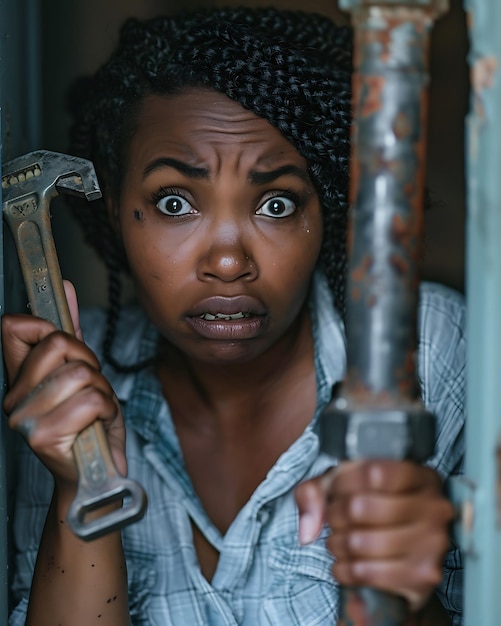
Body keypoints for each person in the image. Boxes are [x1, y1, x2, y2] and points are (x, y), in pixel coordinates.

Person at [2, 6, 464, 626]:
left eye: (276, 203)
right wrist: (81, 483)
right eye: (174, 202)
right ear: (113, 210)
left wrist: (402, 596)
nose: (227, 261)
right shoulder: (68, 408)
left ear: (324, 212)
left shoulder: (428, 352)